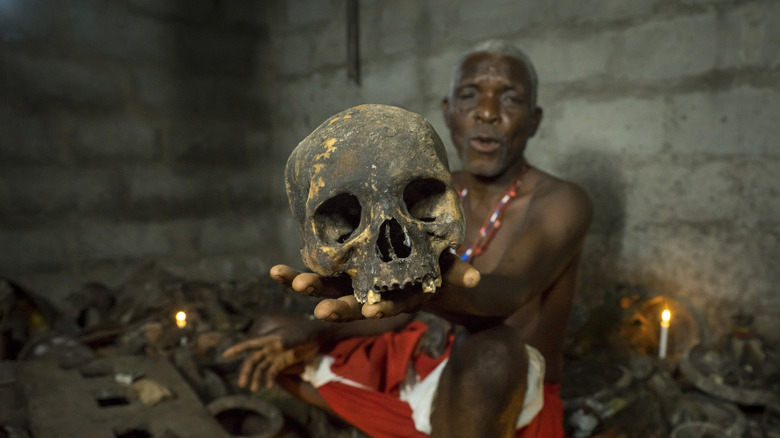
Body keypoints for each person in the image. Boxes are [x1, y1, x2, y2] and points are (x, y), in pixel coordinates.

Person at [223, 39, 592, 438]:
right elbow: (400, 307)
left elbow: (505, 296)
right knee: (272, 334)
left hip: (502, 387)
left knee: (492, 351)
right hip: (423, 355)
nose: (487, 112)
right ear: (448, 113)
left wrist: (427, 293)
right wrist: (316, 330)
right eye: (469, 96)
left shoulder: (561, 201)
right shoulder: (423, 190)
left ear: (535, 120)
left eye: (510, 99)